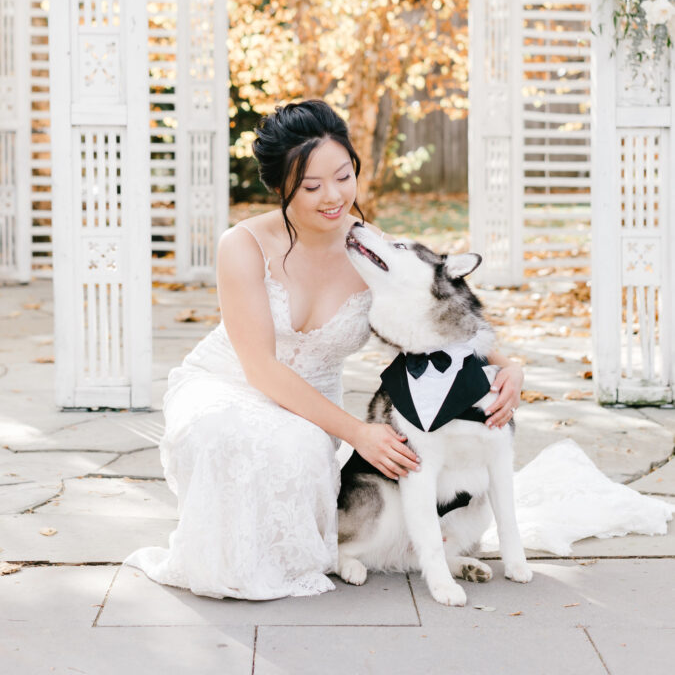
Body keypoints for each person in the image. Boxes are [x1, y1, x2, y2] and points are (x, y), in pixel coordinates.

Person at [123, 99, 523, 600]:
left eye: (343, 176)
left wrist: (509, 367)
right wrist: (359, 432)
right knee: (225, 435)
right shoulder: (241, 245)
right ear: (280, 187)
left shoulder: (370, 249)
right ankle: (226, 559)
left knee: (290, 450)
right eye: (311, 186)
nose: (333, 196)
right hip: (228, 383)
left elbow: (441, 315)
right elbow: (260, 368)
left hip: (311, 405)